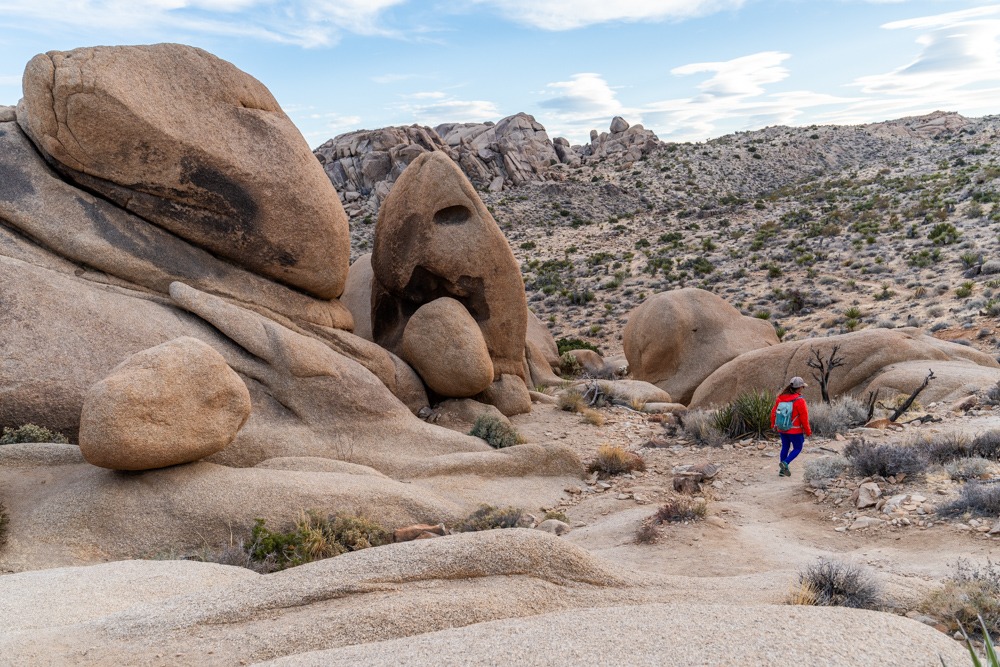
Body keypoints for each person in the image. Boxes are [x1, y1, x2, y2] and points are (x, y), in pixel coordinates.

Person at [771, 376, 811, 477]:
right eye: (802, 387)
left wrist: (773, 425)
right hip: (795, 430)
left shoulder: (780, 398)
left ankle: (782, 471)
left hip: (782, 428)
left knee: (785, 447)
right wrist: (808, 431)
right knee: (798, 447)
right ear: (800, 387)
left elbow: (773, 413)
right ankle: (786, 463)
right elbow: (804, 418)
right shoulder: (799, 400)